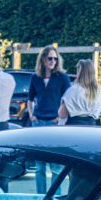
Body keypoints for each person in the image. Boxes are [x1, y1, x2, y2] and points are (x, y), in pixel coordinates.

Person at [27, 46, 70, 191]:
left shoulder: (62, 77)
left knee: (55, 165)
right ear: (43, 59)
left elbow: (68, 99)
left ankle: (55, 196)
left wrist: (60, 117)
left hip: (54, 123)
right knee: (39, 166)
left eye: (55, 58)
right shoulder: (35, 77)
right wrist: (31, 114)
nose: (53, 61)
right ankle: (40, 196)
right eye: (50, 58)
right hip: (38, 122)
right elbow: (30, 98)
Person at [59, 59, 101, 126]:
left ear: (80, 73)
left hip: (74, 127)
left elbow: (62, 114)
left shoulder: (73, 90)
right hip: (92, 127)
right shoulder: (97, 91)